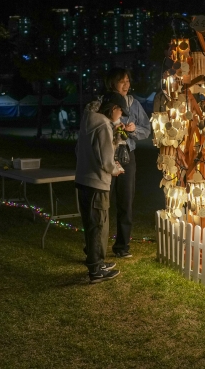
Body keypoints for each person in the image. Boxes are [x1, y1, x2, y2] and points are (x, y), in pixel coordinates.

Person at [75, 92, 126, 284]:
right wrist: (115, 170)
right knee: (98, 225)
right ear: (113, 108)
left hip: (83, 179)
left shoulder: (88, 121)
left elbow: (79, 150)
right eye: (120, 111)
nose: (121, 115)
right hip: (97, 183)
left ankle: (96, 261)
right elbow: (106, 161)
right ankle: (95, 270)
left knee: (91, 224)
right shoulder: (104, 125)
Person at [105, 67, 151, 259]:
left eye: (127, 81)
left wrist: (132, 129)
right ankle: (97, 243)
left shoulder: (134, 104)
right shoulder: (103, 102)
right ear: (112, 83)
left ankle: (122, 246)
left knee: (126, 201)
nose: (126, 85)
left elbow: (146, 129)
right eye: (121, 81)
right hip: (107, 154)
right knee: (102, 201)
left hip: (127, 155)